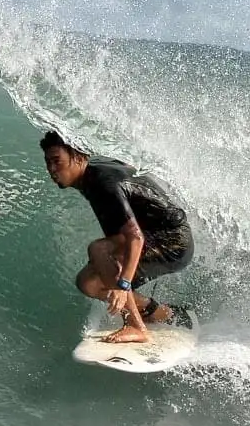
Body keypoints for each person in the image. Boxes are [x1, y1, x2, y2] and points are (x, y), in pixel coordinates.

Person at [40, 130, 194, 343]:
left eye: (57, 161)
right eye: (48, 163)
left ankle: (136, 326)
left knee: (99, 250)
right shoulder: (95, 172)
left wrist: (123, 285)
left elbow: (135, 238)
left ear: (77, 156)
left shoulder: (102, 184)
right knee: (88, 283)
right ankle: (164, 314)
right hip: (159, 236)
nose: (51, 169)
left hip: (174, 242)